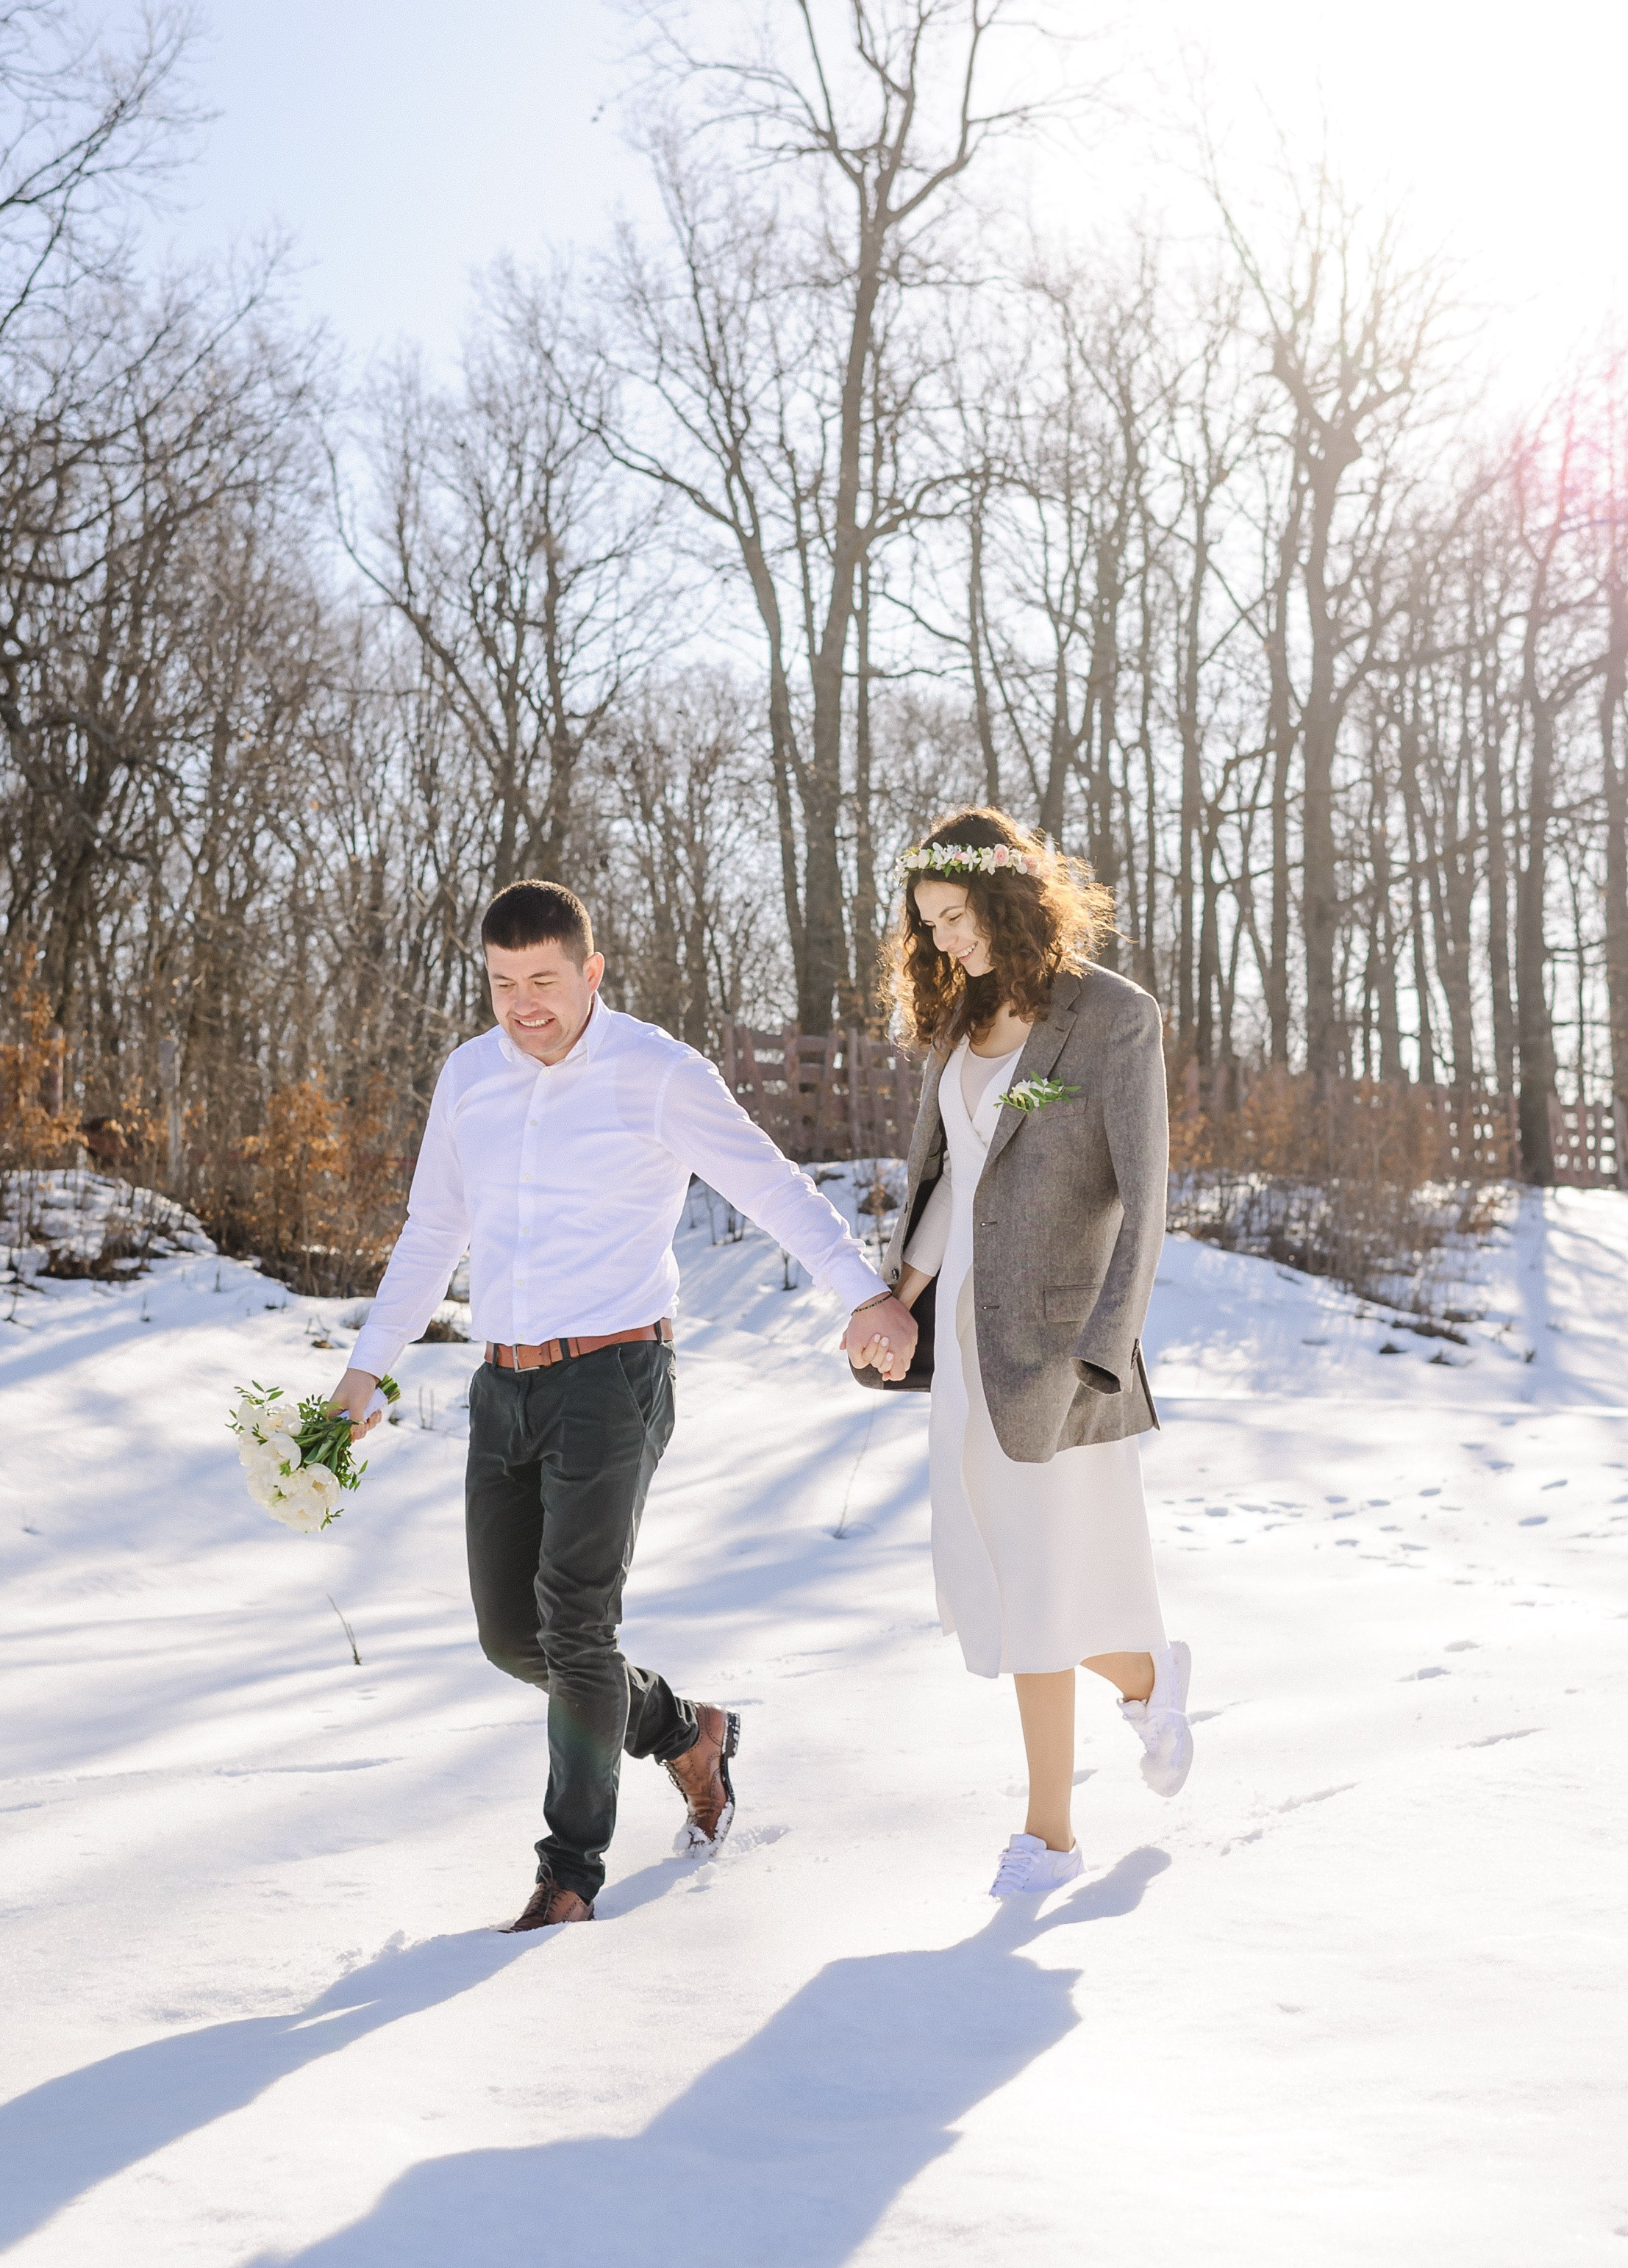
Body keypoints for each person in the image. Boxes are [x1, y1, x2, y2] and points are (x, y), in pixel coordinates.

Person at [326, 879, 918, 1933]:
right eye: (502, 984)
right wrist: (363, 1371)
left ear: (591, 971)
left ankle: (569, 1877)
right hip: (501, 1382)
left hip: (614, 1376)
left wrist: (864, 1294)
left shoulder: (656, 1072)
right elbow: (430, 1232)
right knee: (516, 1639)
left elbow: (770, 1186)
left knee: (575, 1623)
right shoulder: (468, 1077)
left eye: (544, 981)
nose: (523, 1005)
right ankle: (687, 1732)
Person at [852, 807, 1192, 1900]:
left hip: (1060, 1349)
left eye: (955, 916)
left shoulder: (1110, 1019)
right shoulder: (962, 1025)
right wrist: (892, 1305)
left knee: (1038, 1588)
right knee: (993, 1590)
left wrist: (1109, 1344)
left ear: (1006, 898)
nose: (944, 941)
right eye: (929, 924)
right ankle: (1148, 1674)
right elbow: (952, 1182)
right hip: (963, 1341)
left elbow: (1144, 1197)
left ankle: (1048, 1836)